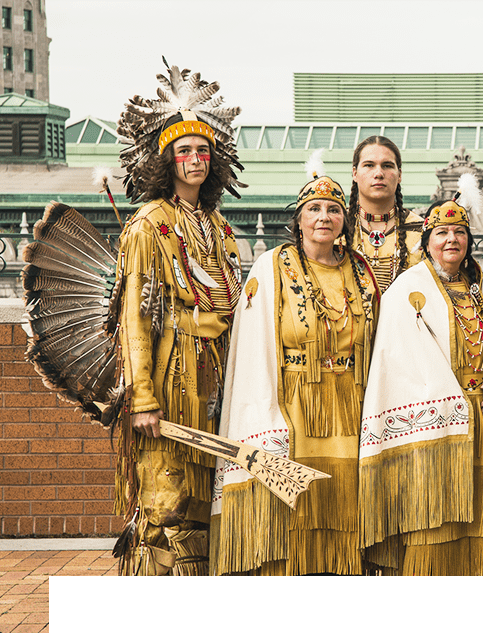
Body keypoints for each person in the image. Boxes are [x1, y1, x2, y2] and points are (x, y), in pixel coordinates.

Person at [212, 153, 379, 576]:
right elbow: (251, 347)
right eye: (314, 209)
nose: (324, 217)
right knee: (294, 512)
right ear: (299, 220)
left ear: (347, 219)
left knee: (347, 509)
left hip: (351, 405)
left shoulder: (362, 271)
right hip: (294, 404)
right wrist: (267, 415)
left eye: (334, 209)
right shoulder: (271, 267)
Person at [112, 61, 246, 576]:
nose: (196, 158)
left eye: (204, 150)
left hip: (214, 379)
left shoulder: (217, 224)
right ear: (165, 161)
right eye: (184, 151)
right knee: (162, 508)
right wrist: (142, 396)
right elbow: (135, 318)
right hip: (171, 383)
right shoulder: (149, 224)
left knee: (203, 508)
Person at [359, 185, 483, 576]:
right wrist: (450, 398)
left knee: (478, 514)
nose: (452, 239)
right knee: (433, 515)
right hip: (434, 418)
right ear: (426, 243)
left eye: (460, 232)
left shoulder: (478, 288)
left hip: (481, 414)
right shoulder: (406, 290)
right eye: (441, 233)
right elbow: (400, 361)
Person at [348, 135, 423, 293]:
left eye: (387, 166)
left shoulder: (422, 231)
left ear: (399, 174)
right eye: (369, 165)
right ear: (354, 173)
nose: (379, 174)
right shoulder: (335, 227)